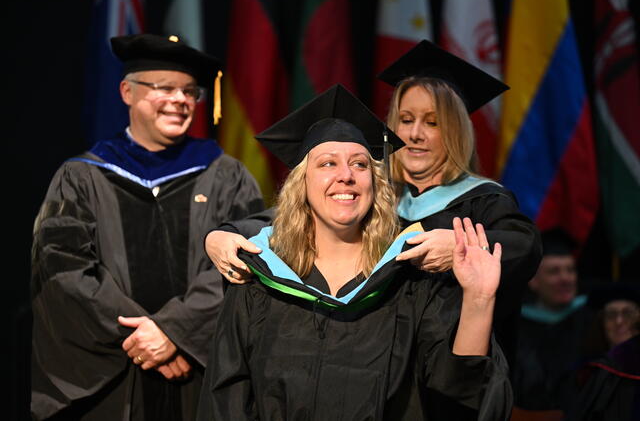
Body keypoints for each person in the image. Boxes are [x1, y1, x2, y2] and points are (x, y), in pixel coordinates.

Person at [204, 40, 541, 367]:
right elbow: (292, 214)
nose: (415, 134)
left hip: (450, 369)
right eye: (406, 120)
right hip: (380, 365)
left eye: (433, 123)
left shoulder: (483, 201)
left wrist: (462, 244)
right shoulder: (377, 196)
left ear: (457, 132)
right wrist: (221, 235)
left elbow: (523, 245)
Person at [197, 84, 512, 420]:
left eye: (360, 165)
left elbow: (454, 398)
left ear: (375, 185)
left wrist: (479, 300)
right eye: (328, 164)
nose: (345, 176)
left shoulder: (411, 283)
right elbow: (225, 402)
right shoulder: (259, 284)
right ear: (301, 184)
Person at [30, 34, 264, 420]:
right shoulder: (81, 177)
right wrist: (145, 339)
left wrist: (177, 333)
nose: (179, 100)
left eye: (189, 91)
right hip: (114, 379)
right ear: (127, 92)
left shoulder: (228, 176)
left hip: (200, 377)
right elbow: (62, 270)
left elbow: (247, 263)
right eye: (163, 88)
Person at [511, 228, 592, 418]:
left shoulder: (592, 322)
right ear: (533, 282)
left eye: (570, 270)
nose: (565, 278)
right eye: (554, 271)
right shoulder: (517, 326)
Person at [567, 282, 640, 421]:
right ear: (601, 322)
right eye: (611, 315)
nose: (619, 321)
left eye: (628, 313)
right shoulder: (589, 372)